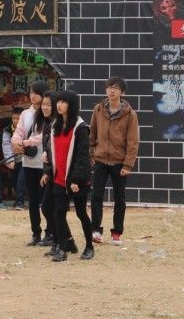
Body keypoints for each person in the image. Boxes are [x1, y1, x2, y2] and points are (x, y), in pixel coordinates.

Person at [41, 90, 93, 262]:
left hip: (76, 180)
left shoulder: (81, 128)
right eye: (58, 101)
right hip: (58, 178)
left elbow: (82, 157)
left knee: (81, 213)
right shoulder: (55, 125)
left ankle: (89, 246)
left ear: (72, 105)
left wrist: (76, 179)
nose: (59, 105)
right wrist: (48, 170)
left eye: (64, 102)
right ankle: (62, 249)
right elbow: (51, 152)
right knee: (59, 213)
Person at [89, 76, 140, 245]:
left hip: (119, 163)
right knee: (96, 196)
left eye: (116, 88)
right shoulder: (98, 110)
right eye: (109, 87)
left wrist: (128, 164)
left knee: (120, 199)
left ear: (122, 92)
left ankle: (117, 233)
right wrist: (91, 154)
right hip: (100, 160)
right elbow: (92, 134)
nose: (112, 91)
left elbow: (133, 141)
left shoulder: (130, 114)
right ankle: (95, 230)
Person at [11, 81, 52, 246]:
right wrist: (16, 142)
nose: (32, 96)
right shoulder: (25, 114)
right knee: (33, 201)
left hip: (45, 163)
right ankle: (36, 233)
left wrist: (26, 142)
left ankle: (50, 233)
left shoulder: (49, 113)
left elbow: (44, 136)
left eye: (36, 93)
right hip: (28, 163)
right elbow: (18, 131)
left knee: (47, 201)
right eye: (31, 92)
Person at [38, 91, 59, 256]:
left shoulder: (57, 124)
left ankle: (60, 241)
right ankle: (61, 240)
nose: (44, 107)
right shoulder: (47, 123)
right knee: (48, 207)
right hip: (51, 171)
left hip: (59, 172)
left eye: (48, 105)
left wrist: (49, 171)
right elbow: (47, 150)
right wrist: (46, 171)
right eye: (43, 104)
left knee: (50, 208)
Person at [2, 107, 26, 209]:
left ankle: (20, 201)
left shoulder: (28, 128)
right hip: (14, 160)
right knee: (14, 180)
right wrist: (10, 160)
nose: (15, 121)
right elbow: (6, 145)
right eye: (13, 118)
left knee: (21, 180)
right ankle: (18, 200)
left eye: (18, 119)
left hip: (26, 160)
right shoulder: (7, 130)